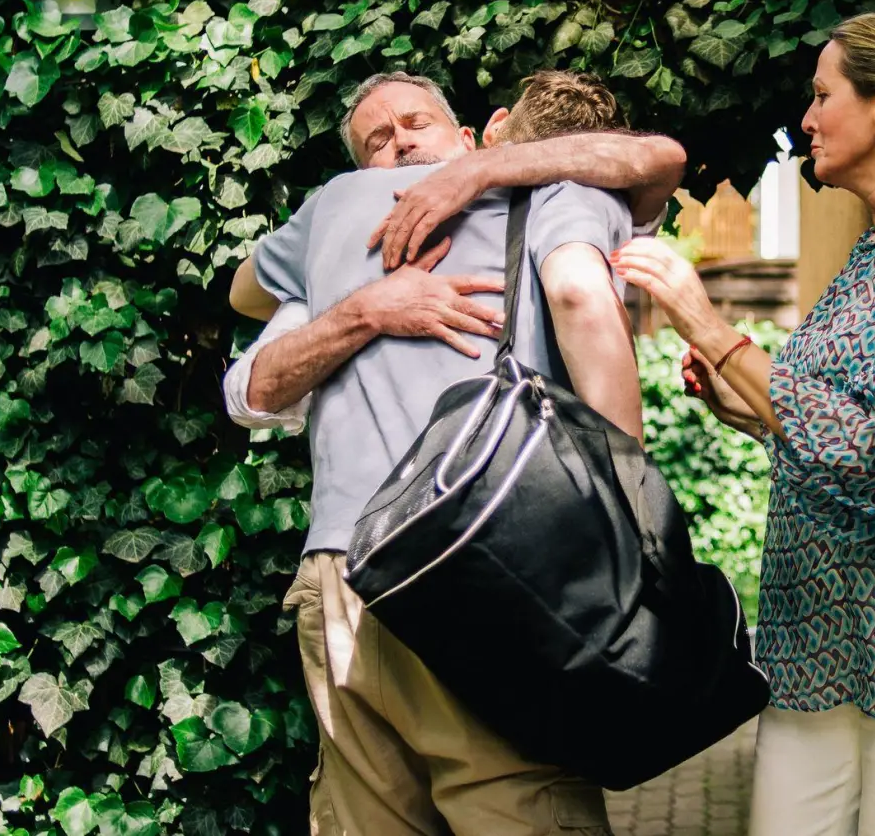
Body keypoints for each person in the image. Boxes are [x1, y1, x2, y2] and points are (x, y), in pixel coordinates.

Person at [610, 11, 875, 836]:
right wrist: (739, 400)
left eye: (820, 95)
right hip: (819, 644)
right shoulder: (870, 256)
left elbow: (873, 446)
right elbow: (824, 427)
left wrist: (708, 325)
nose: (805, 120)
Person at [224, 70, 679, 836]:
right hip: (477, 557)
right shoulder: (361, 208)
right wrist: (365, 306)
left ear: (474, 135)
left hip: (362, 570)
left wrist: (474, 175)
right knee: (518, 803)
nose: (399, 142)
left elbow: (241, 290)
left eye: (416, 123)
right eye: (377, 138)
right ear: (360, 165)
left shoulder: (346, 209)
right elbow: (248, 380)